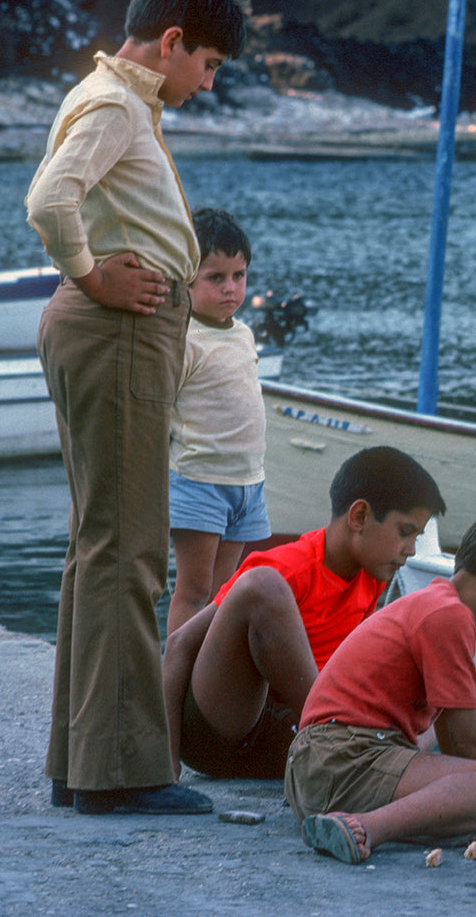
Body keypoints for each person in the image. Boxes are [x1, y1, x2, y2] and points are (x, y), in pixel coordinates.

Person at [24, 0, 249, 815]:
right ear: (171, 41)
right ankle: (120, 773)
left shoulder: (113, 97)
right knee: (129, 549)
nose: (209, 79)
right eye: (209, 63)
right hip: (117, 330)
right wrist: (91, 276)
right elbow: (51, 201)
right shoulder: (118, 104)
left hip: (118, 330)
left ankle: (80, 761)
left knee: (99, 544)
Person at [283, 504, 476, 863]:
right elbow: (469, 744)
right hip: (340, 761)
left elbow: (456, 741)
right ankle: (365, 827)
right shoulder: (449, 617)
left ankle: (373, 819)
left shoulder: (437, 603)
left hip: (322, 765)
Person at [163, 446, 446, 782]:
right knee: (263, 586)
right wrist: (164, 764)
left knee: (441, 701)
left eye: (417, 537)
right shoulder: (291, 567)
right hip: (225, 732)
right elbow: (180, 645)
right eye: (404, 532)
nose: (411, 550)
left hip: (286, 736)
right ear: (359, 517)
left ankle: (357, 744)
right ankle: (341, 736)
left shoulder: (371, 576)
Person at [166, 207, 271, 637]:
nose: (230, 289)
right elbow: (160, 411)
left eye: (239, 276)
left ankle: (203, 683)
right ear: (184, 280)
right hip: (199, 480)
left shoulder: (243, 333)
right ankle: (174, 681)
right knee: (193, 590)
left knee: (223, 592)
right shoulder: (183, 339)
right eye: (215, 278)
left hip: (247, 482)